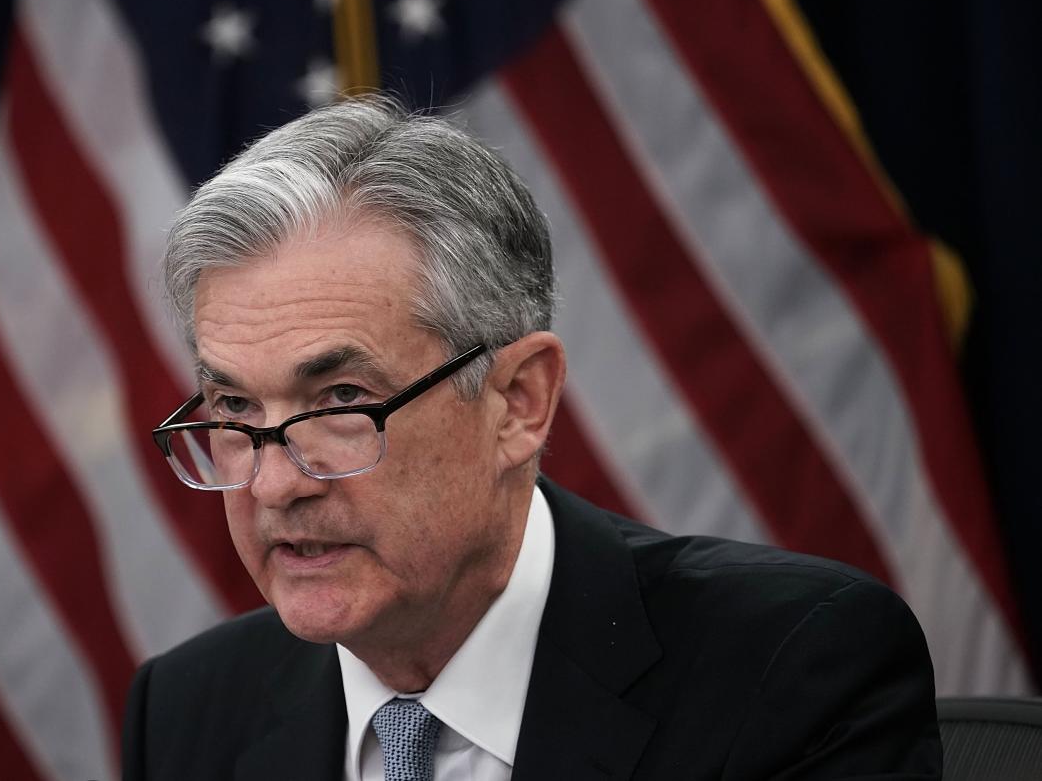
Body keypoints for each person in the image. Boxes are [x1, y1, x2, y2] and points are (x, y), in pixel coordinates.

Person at [121, 95, 941, 780]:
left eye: (340, 400)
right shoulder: (189, 715)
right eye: (233, 410)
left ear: (519, 402)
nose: (271, 485)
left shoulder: (791, 671)